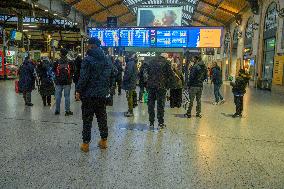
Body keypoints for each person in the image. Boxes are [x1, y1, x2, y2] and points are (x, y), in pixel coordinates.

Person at [76, 37, 112, 152]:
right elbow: (113, 74)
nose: (86, 46)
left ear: (91, 45)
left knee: (87, 119)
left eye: (88, 44)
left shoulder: (87, 59)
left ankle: (86, 144)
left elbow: (84, 77)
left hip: (88, 95)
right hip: (101, 95)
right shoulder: (107, 59)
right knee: (102, 118)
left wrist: (78, 90)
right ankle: (104, 141)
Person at [145, 53, 174, 128]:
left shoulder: (151, 61)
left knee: (151, 104)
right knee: (160, 105)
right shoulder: (167, 63)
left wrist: (147, 83)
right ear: (166, 57)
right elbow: (171, 75)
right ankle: (160, 123)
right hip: (161, 87)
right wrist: (168, 86)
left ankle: (151, 122)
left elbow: (145, 74)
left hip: (151, 86)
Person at [54, 48, 74, 116]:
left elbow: (54, 70)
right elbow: (73, 70)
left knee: (58, 96)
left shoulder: (57, 62)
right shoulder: (70, 62)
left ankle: (57, 110)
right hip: (67, 82)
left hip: (58, 82)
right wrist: (70, 77)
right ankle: (67, 111)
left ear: (60, 53)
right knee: (67, 96)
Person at [122, 53, 138, 117]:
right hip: (132, 82)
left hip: (129, 83)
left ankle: (130, 112)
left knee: (129, 97)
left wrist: (124, 79)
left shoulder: (130, 63)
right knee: (130, 97)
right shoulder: (133, 62)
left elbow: (128, 73)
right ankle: (130, 110)